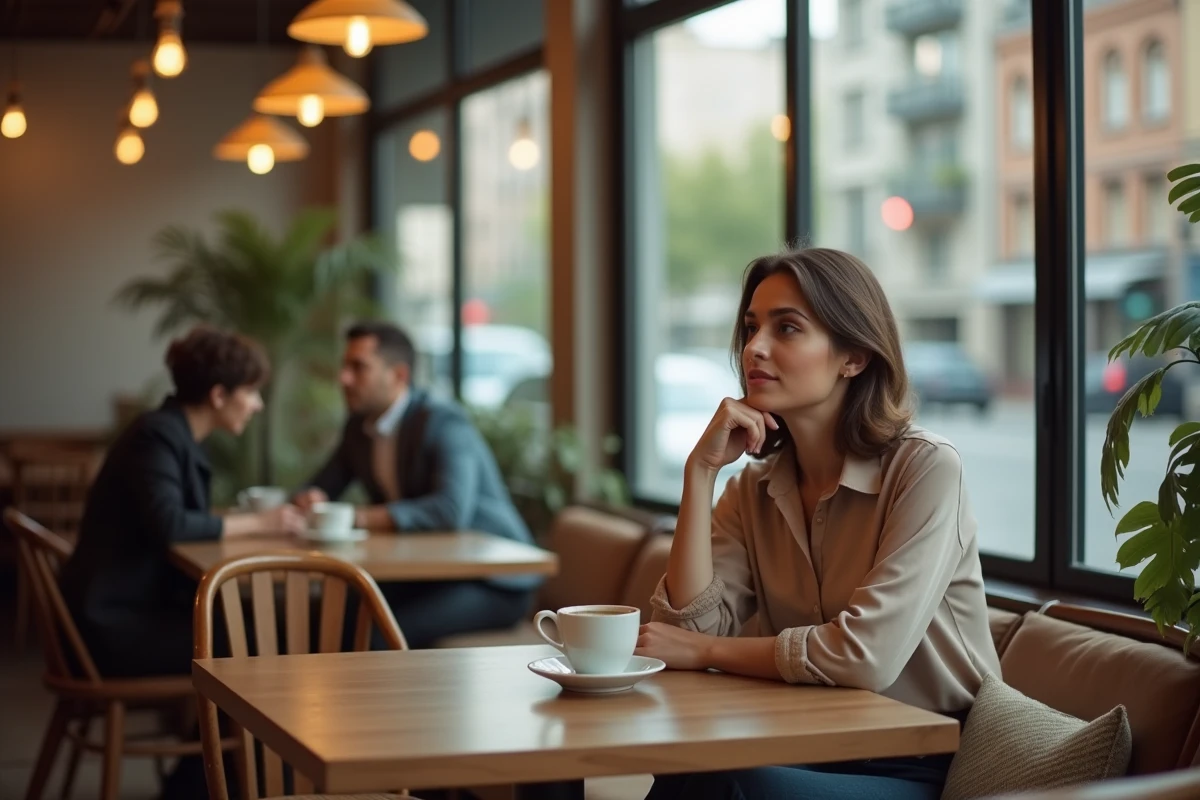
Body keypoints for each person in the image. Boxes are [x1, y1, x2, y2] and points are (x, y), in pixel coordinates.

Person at [634, 248, 1000, 800]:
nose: (754, 347)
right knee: (694, 768)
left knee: (728, 782)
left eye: (787, 328)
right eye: (752, 327)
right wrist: (700, 472)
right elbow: (683, 634)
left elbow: (863, 656)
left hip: (918, 764)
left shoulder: (925, 468)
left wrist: (709, 654)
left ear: (853, 357)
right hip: (803, 740)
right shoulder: (752, 488)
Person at [61, 325, 306, 679]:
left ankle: (211, 730)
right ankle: (224, 734)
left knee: (249, 630)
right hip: (111, 625)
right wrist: (261, 523)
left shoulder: (176, 433)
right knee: (254, 642)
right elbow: (171, 523)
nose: (258, 404)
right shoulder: (156, 436)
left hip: (130, 608)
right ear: (219, 395)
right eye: (251, 391)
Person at [293, 321, 541, 648]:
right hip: (430, 573)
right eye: (345, 366)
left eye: (359, 368)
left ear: (399, 375)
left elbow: (449, 511)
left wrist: (354, 518)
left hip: (493, 581)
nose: (344, 378)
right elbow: (324, 485)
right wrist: (310, 499)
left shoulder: (443, 421)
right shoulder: (359, 427)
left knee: (379, 632)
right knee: (342, 612)